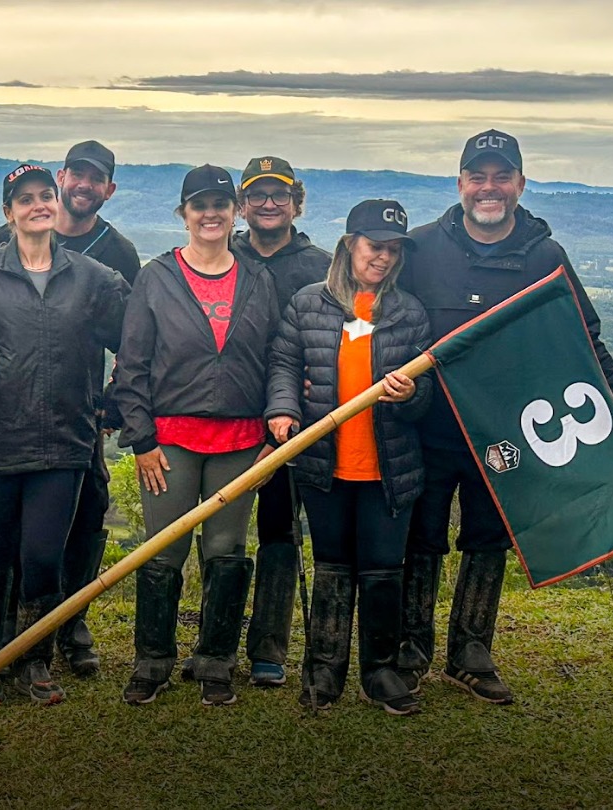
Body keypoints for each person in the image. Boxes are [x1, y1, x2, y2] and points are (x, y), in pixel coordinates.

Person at [396, 130, 613, 704]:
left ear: (520, 183)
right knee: (422, 536)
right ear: (460, 183)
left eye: (501, 176)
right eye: (478, 176)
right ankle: (410, 650)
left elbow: (582, 342)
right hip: (430, 428)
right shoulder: (419, 250)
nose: (489, 188)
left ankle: (470, 651)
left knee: (489, 538)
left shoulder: (545, 256)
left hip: (510, 433)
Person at [0, 164, 129, 707]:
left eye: (46, 195)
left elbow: (135, 344)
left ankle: (35, 661)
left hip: (65, 443)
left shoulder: (93, 281)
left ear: (57, 202)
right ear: (8, 212)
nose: (38, 204)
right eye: (26, 199)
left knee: (43, 558)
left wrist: (113, 402)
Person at [112, 164, 279, 707]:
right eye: (200, 205)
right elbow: (131, 367)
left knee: (227, 550)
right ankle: (153, 660)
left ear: (235, 213)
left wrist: (276, 425)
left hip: (241, 440)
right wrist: (141, 440)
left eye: (220, 205)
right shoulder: (157, 278)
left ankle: (214, 662)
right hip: (171, 441)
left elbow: (276, 358)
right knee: (163, 551)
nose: (211, 214)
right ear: (183, 214)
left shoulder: (258, 279)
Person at [265, 199, 431, 714]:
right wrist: (282, 410)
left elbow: (428, 396)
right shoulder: (308, 304)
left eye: (392, 251)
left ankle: (380, 672)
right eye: (374, 247)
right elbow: (284, 364)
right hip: (324, 465)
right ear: (349, 245)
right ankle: (323, 671)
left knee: (383, 568)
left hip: (388, 468)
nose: (382, 258)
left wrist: (410, 396)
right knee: (332, 566)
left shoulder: (409, 312)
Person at [0, 139, 140, 677]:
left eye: (96, 179)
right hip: (13, 417)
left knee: (85, 516)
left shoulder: (116, 253)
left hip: (79, 413)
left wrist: (112, 407)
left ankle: (69, 621)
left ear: (108, 190)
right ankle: (7, 633)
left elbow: (132, 339)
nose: (84, 185)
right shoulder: (0, 246)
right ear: (61, 177)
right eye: (77, 174)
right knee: (7, 532)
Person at [229, 157, 333, 688]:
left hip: (293, 419)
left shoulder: (321, 265)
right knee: (220, 533)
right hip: (226, 412)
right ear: (242, 204)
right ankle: (214, 643)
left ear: (298, 201)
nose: (269, 203)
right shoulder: (221, 256)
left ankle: (268, 647)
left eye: (280, 194)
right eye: (258, 194)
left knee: (279, 528)